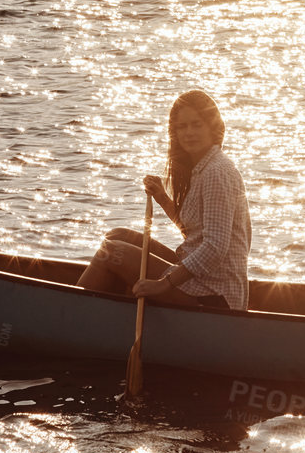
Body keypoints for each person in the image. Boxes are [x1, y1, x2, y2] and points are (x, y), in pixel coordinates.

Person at [75, 89, 252, 310]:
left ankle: (68, 315)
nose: (189, 133)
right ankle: (112, 314)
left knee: (111, 252)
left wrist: (162, 285)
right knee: (118, 236)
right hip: (201, 280)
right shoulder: (201, 168)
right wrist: (163, 198)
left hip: (215, 295)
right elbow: (195, 233)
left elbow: (215, 247)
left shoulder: (216, 171)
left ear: (212, 127)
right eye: (182, 126)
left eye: (196, 124)